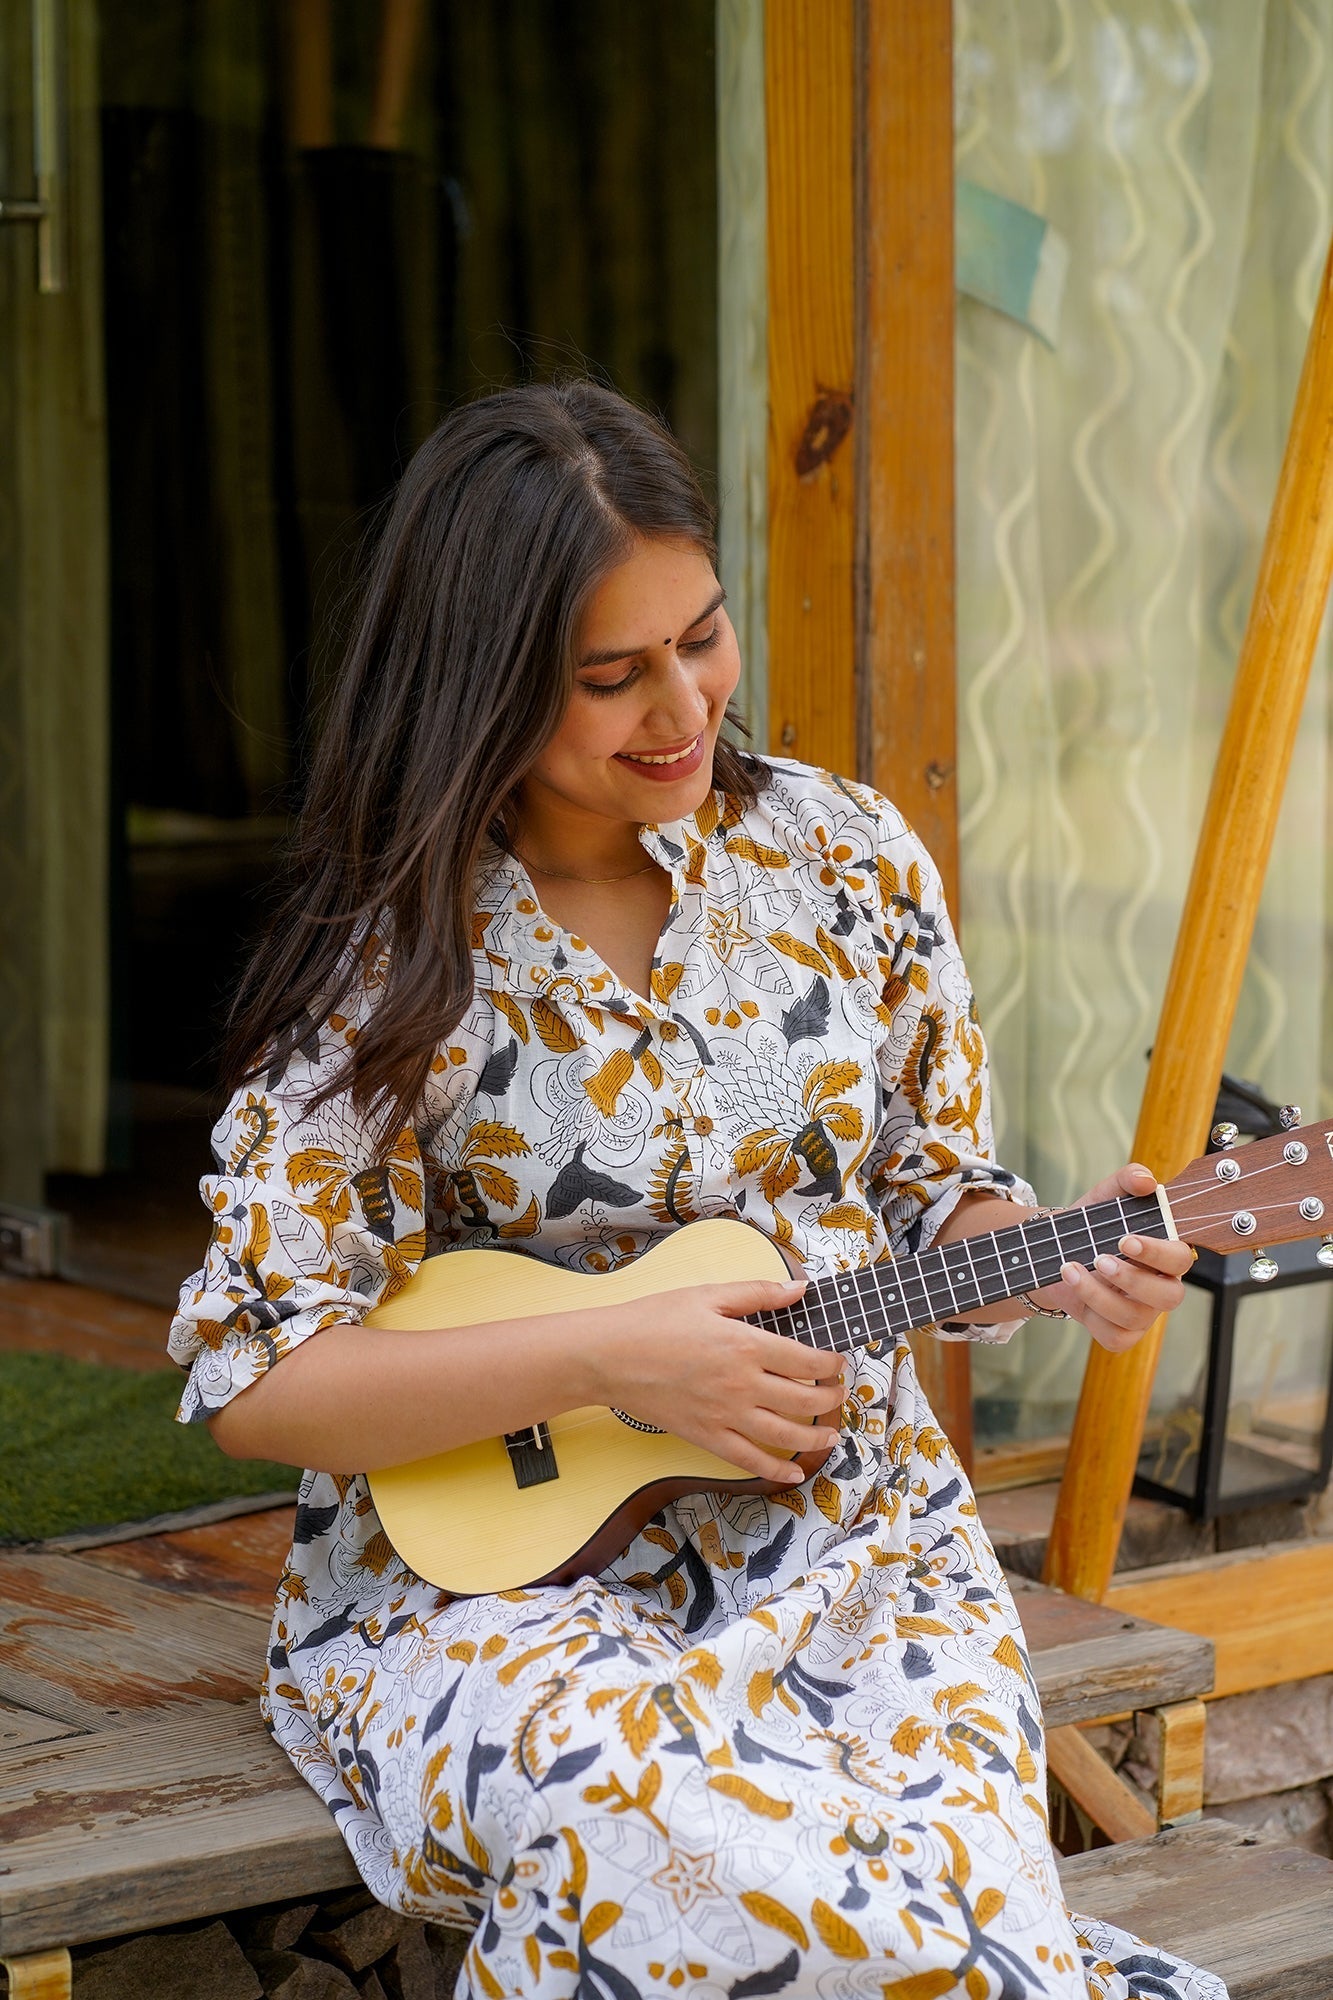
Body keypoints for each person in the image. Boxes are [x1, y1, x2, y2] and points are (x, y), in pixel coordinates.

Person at [171, 380, 1222, 2000]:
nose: (683, 705)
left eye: (703, 637)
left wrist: (1047, 1261)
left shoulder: (845, 860)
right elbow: (264, 1380)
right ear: (486, 683)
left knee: (939, 1929)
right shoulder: (389, 948)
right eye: (612, 675)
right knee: (666, 1851)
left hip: (855, 1540)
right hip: (496, 1598)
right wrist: (611, 1359)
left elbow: (935, 1193)